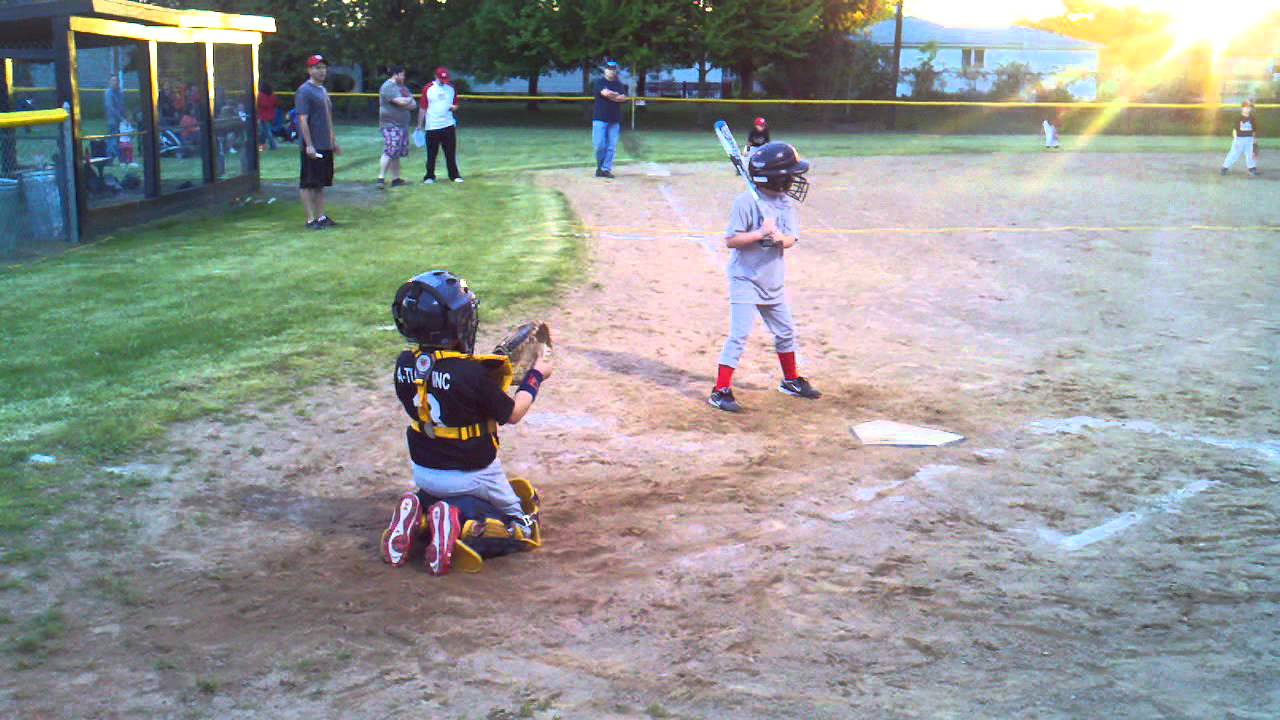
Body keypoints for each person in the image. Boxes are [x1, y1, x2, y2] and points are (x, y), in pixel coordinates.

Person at [380, 270, 552, 575]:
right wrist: (537, 375)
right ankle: (454, 520)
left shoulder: (404, 364)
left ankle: (418, 513)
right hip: (474, 473)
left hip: (424, 472)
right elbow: (513, 413)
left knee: (439, 493)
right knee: (524, 526)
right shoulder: (472, 374)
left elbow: (446, 384)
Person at [708, 142, 821, 413]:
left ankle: (790, 381)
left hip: (772, 279)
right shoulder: (745, 203)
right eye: (790, 174)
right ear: (776, 178)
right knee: (739, 334)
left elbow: (791, 238)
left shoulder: (783, 203)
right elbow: (731, 240)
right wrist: (759, 234)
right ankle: (720, 390)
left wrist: (779, 238)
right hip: (745, 278)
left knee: (785, 332)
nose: (795, 178)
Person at [296, 54, 340, 230]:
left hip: (325, 143)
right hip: (312, 145)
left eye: (323, 68)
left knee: (321, 182)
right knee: (308, 182)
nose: (322, 71)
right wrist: (309, 145)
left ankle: (321, 217)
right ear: (309, 70)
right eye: (317, 68)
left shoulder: (322, 90)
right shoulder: (304, 91)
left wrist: (332, 139)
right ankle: (310, 219)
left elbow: (327, 117)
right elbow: (302, 120)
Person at [419, 66, 462, 184]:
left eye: (445, 79)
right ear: (436, 77)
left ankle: (454, 175)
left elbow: (456, 104)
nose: (444, 82)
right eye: (441, 79)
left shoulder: (451, 89)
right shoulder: (428, 89)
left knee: (450, 153)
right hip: (432, 126)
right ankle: (429, 176)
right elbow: (423, 107)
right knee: (432, 154)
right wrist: (419, 125)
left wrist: (454, 107)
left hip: (448, 125)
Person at [377, 65, 416, 189]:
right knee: (390, 149)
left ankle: (396, 179)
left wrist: (407, 100)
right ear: (396, 74)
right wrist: (408, 99)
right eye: (402, 74)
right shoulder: (387, 87)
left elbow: (413, 105)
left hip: (402, 125)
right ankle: (380, 178)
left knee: (397, 152)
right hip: (390, 124)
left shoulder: (402, 88)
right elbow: (402, 102)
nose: (404, 77)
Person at [591, 60, 629, 178]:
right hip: (600, 118)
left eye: (613, 69)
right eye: (609, 69)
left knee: (611, 146)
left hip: (614, 119)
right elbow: (605, 93)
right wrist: (615, 96)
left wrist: (613, 96)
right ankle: (599, 167)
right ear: (605, 70)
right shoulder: (599, 82)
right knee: (599, 145)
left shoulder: (619, 84)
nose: (611, 71)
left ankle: (605, 169)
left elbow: (623, 98)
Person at [1221, 99, 1260, 177]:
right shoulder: (1238, 118)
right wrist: (1235, 139)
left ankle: (1252, 169)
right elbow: (1234, 130)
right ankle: (1225, 167)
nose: (1248, 109)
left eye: (1249, 107)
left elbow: (1254, 130)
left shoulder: (1252, 118)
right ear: (1242, 108)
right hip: (1239, 139)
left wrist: (1254, 141)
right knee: (1234, 154)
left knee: (1250, 154)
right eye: (1246, 107)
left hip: (1249, 139)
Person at [104, 76, 125, 161]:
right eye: (113, 80)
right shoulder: (108, 93)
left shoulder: (119, 92)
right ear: (109, 82)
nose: (115, 82)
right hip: (112, 120)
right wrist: (120, 117)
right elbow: (110, 107)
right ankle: (110, 157)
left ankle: (117, 156)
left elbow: (122, 106)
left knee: (118, 138)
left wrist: (125, 117)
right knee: (112, 139)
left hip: (119, 120)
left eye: (116, 80)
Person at [257, 81, 278, 151]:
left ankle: (273, 145)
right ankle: (262, 144)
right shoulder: (272, 95)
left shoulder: (261, 95)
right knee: (264, 131)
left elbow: (261, 105)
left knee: (267, 131)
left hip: (263, 116)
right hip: (271, 115)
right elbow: (275, 104)